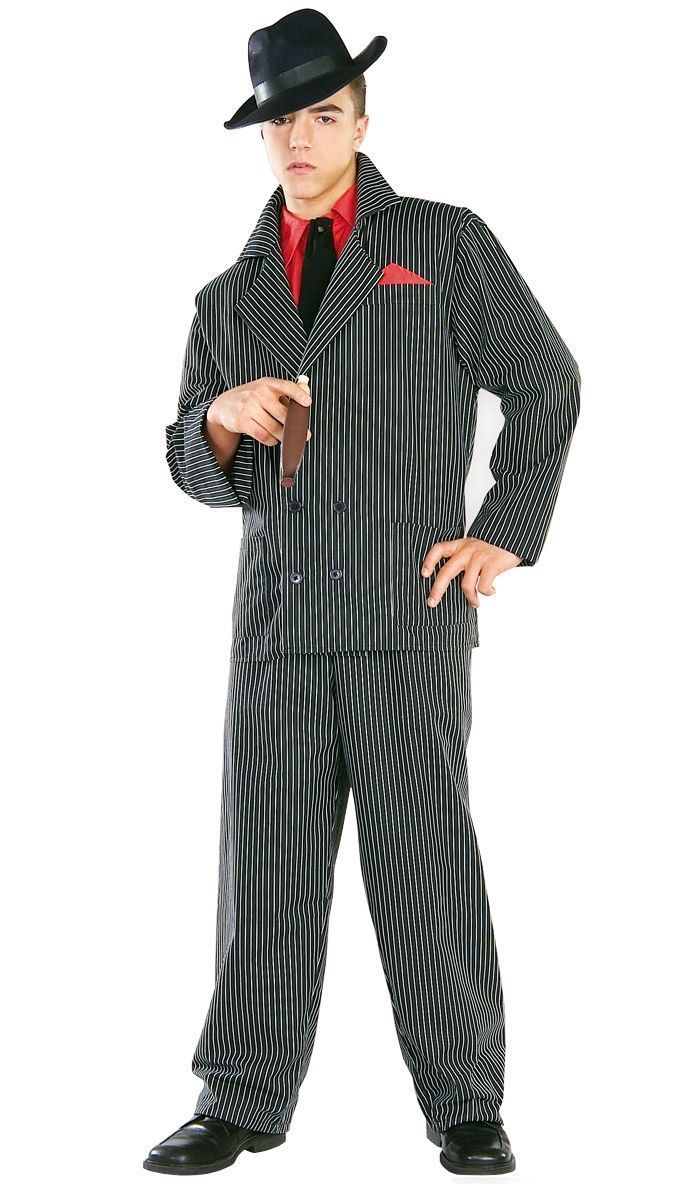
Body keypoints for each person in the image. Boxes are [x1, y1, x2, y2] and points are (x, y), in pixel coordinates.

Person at [143, 7, 580, 1178]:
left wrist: (503, 533)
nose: (300, 137)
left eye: (323, 115)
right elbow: (189, 466)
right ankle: (239, 1101)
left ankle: (465, 1103)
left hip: (408, 614)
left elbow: (545, 382)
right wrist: (216, 422)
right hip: (278, 626)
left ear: (360, 124)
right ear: (261, 135)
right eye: (281, 120)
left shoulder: (440, 243)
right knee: (267, 873)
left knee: (423, 865)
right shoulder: (226, 299)